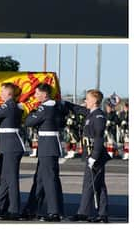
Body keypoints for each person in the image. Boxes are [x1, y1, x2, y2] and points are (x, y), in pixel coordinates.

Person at [21, 83, 65, 222]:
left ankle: (54, 212)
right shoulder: (56, 106)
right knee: (40, 179)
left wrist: (32, 111)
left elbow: (28, 122)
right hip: (49, 145)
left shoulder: (45, 108)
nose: (34, 95)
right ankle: (32, 209)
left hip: (48, 146)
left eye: (37, 93)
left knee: (49, 179)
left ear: (44, 94)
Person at [67, 90, 111, 223]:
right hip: (90, 153)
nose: (85, 101)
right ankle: (102, 214)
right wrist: (64, 103)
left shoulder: (98, 116)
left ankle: (83, 213)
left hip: (95, 155)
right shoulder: (91, 113)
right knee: (99, 185)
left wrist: (94, 157)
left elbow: (98, 138)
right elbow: (78, 109)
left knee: (89, 184)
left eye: (87, 99)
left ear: (94, 101)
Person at [0, 82, 25, 220]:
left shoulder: (9, 106)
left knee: (11, 179)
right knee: (4, 178)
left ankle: (14, 209)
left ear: (9, 93)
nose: (0, 94)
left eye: (2, 92)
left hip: (12, 147)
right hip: (8, 146)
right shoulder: (10, 106)